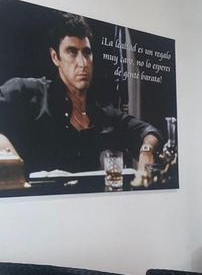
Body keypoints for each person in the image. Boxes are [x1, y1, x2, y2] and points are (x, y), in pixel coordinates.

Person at [0, 13, 161, 180]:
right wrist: (8, 158)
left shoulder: (102, 113)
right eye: (72, 52)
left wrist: (147, 151)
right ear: (55, 57)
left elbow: (149, 132)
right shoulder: (29, 91)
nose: (83, 63)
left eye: (87, 53)